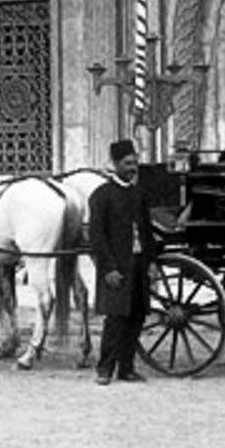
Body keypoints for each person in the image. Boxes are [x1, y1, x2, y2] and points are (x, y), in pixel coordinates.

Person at [87, 138, 157, 385]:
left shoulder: (139, 194)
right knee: (115, 319)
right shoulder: (102, 196)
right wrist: (108, 269)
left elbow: (147, 232)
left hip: (138, 266)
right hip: (116, 269)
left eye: (135, 163)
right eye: (127, 164)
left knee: (136, 317)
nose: (132, 168)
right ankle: (104, 369)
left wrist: (152, 262)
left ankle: (126, 369)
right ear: (115, 164)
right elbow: (96, 236)